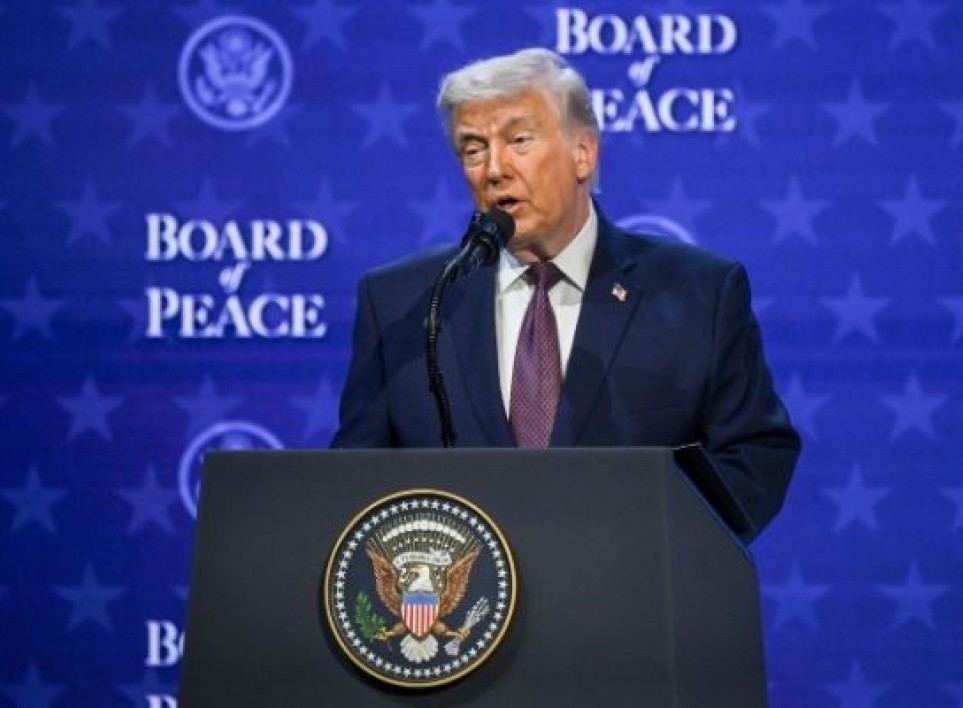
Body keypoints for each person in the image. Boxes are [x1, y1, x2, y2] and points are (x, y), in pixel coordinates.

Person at [332, 47, 799, 542]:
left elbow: (754, 457)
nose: (494, 169)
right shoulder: (404, 302)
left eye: (519, 140)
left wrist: (651, 550)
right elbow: (355, 482)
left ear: (584, 153)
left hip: (631, 585)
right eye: (473, 149)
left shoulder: (696, 294)